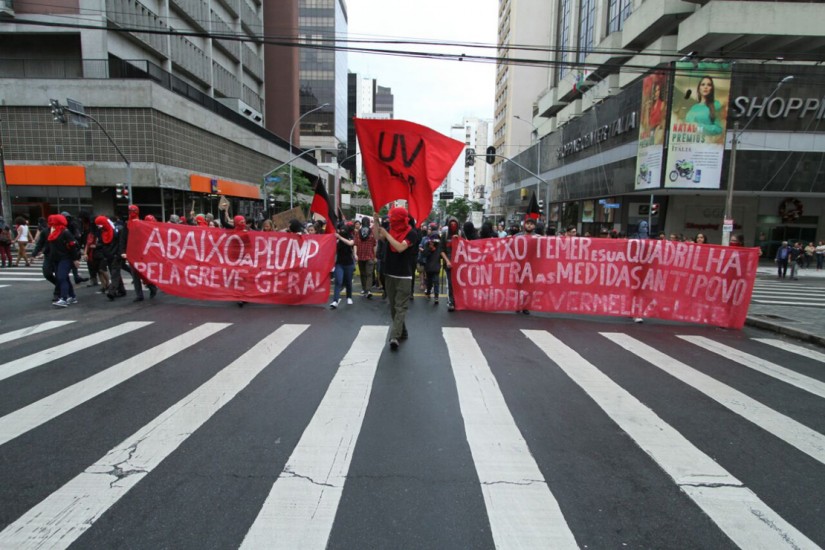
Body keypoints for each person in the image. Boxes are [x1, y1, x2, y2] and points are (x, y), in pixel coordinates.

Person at [374, 207, 417, 350]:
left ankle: (394, 336)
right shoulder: (388, 229)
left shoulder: (412, 233)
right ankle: (402, 331)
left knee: (400, 307)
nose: (390, 220)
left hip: (404, 276)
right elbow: (377, 236)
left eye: (393, 218)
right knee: (393, 307)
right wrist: (375, 221)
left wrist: (387, 234)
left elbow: (399, 247)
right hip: (389, 273)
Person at [46, 214, 81, 307]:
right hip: (56, 258)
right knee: (63, 278)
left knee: (61, 277)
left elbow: (72, 246)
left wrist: (75, 259)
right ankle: (72, 296)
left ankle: (64, 298)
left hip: (66, 258)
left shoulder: (65, 232)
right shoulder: (53, 231)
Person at [440, 216, 463, 312]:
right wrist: (447, 261)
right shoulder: (445, 235)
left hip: (460, 264)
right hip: (449, 263)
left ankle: (458, 300)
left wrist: (459, 239)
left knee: (459, 283)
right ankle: (451, 302)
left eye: (455, 224)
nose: (453, 226)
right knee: (450, 283)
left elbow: (467, 245)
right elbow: (441, 251)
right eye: (451, 224)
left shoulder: (461, 233)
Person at [330, 221, 356, 309]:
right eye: (341, 230)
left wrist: (340, 237)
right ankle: (335, 301)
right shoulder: (337, 240)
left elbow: (350, 243)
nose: (342, 231)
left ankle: (349, 297)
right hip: (339, 264)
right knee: (338, 281)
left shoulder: (350, 237)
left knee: (348, 282)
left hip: (349, 264)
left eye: (344, 230)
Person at [354, 217, 376, 299]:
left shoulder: (358, 233)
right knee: (368, 274)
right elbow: (374, 245)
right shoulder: (372, 233)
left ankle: (366, 289)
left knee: (364, 274)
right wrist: (375, 256)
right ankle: (367, 290)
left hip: (361, 255)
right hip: (369, 255)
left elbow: (355, 244)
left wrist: (355, 254)